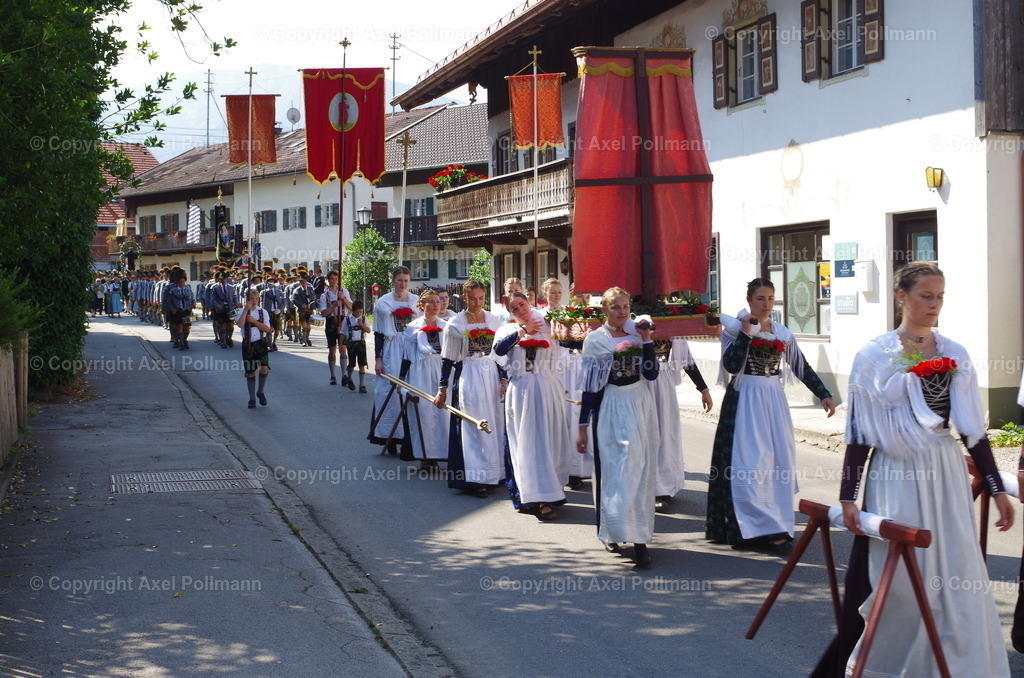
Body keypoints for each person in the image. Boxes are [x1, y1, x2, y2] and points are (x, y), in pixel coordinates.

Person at [812, 262, 1013, 677]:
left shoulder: (954, 353)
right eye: (926, 295)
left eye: (940, 296)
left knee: (955, 576)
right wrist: (848, 496)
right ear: (901, 296)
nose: (934, 304)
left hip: (945, 478)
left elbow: (973, 433)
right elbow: (860, 434)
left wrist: (996, 489)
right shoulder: (874, 355)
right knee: (900, 581)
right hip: (896, 478)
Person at [706, 278, 836, 556]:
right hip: (745, 397)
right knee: (750, 462)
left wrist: (823, 393)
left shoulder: (781, 332)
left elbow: (801, 366)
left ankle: (773, 525)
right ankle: (755, 527)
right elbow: (731, 365)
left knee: (777, 460)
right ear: (750, 300)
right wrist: (745, 332)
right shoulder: (736, 329)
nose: (766, 305)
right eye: (760, 299)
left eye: (770, 299)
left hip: (772, 399)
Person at [576, 288, 659, 567]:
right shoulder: (595, 341)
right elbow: (590, 388)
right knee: (617, 469)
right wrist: (582, 426)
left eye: (625, 307)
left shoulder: (637, 333)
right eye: (615, 308)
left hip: (639, 403)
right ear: (605, 310)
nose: (621, 312)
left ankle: (640, 539)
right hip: (612, 404)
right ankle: (614, 528)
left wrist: (646, 340)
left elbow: (651, 373)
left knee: (639, 467)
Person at [493, 292, 570, 520]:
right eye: (514, 309)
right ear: (511, 313)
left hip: (548, 387)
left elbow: (572, 340)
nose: (520, 310)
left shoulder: (549, 323)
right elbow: (498, 350)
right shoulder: (508, 330)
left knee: (550, 438)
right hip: (523, 390)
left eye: (522, 305)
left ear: (529, 302)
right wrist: (524, 331)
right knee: (528, 441)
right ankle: (534, 496)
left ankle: (552, 491)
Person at [434, 279, 506, 498]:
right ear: (464, 297)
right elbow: (448, 359)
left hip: (490, 373)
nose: (477, 303)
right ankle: (476, 478)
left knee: (494, 421)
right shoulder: (456, 324)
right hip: (469, 374)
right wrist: (442, 387)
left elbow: (501, 354)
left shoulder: (494, 321)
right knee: (473, 422)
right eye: (473, 298)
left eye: (481, 298)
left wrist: (503, 378)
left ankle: (496, 472)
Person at [649, 334, 712, 512]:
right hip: (637, 383)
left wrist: (703, 388)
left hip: (663, 384)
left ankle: (662, 488)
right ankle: (638, 487)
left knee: (665, 433)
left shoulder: (672, 325)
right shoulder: (630, 323)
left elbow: (687, 360)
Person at [370, 266, 420, 453]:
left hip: (411, 349)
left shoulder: (416, 302)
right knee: (389, 393)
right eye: (399, 280)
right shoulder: (383, 304)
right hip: (391, 351)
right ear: (393, 281)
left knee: (411, 390)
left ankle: (410, 438)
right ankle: (389, 436)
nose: (403, 284)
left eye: (406, 280)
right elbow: (379, 334)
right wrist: (378, 359)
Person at [402, 290, 450, 469]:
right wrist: (401, 378)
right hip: (420, 372)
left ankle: (443, 453)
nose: (435, 305)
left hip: (441, 371)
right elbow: (406, 356)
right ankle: (426, 456)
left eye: (437, 301)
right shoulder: (412, 327)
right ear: (422, 305)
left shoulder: (446, 326)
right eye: (430, 302)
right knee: (424, 413)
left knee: (442, 413)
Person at [237, 289, 272, 409]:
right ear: (247, 300)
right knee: (250, 372)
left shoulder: (263, 312)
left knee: (264, 368)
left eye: (256, 298)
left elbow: (267, 329)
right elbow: (240, 324)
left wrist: (254, 321)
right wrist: (246, 310)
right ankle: (252, 399)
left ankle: (260, 392)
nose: (254, 301)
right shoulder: (242, 311)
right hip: (248, 344)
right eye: (252, 298)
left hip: (260, 343)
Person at [319, 271, 353, 385]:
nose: (334, 280)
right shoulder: (324, 295)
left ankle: (344, 375)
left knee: (343, 348)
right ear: (328, 280)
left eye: (336, 278)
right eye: (332, 278)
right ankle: (333, 375)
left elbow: (351, 307)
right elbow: (323, 313)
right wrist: (333, 306)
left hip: (343, 321)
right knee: (332, 350)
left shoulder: (344, 292)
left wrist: (343, 298)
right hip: (331, 322)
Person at [343, 301, 371, 393]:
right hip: (351, 344)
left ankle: (362, 385)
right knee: (351, 364)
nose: (358, 314)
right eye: (356, 312)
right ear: (352, 310)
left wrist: (361, 324)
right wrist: (342, 344)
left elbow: (368, 330)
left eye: (360, 312)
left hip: (361, 343)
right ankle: (350, 379)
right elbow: (343, 332)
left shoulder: (363, 318)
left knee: (362, 364)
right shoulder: (347, 319)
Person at [167, 270, 195, 350]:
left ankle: (184, 340)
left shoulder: (188, 289)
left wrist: (193, 304)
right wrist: (172, 309)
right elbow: (169, 301)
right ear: (177, 282)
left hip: (187, 311)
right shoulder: (173, 291)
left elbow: (192, 298)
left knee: (186, 328)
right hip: (178, 311)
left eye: (183, 281)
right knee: (179, 327)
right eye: (180, 281)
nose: (182, 283)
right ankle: (181, 344)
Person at [211, 271, 238, 348]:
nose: (223, 280)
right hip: (221, 309)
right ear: (219, 280)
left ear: (226, 279)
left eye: (224, 279)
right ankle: (223, 341)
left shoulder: (231, 287)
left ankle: (229, 338)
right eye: (221, 279)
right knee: (222, 324)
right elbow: (213, 299)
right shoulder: (216, 288)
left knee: (231, 325)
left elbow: (234, 296)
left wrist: (236, 303)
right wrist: (217, 306)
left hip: (230, 308)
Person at [291, 274, 317, 347]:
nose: (303, 283)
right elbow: (294, 299)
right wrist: (301, 305)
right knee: (304, 324)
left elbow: (314, 297)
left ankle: (307, 338)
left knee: (309, 325)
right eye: (301, 281)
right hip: (302, 309)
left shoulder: (310, 288)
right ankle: (304, 340)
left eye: (304, 281)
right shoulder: (297, 290)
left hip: (309, 309)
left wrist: (314, 306)